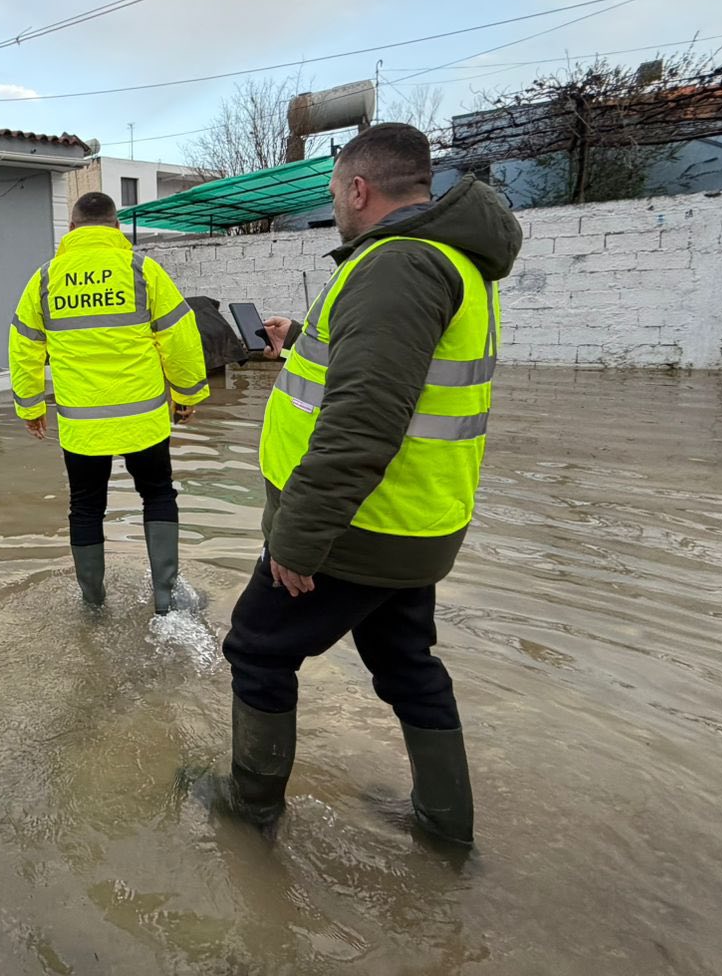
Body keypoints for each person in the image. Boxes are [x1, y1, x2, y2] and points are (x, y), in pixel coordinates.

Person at [214, 123, 522, 847]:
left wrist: (300, 534)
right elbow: (386, 377)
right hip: (411, 517)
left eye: (333, 194)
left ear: (358, 188)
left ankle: (249, 809)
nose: (335, 207)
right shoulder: (447, 261)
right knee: (404, 661)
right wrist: (299, 341)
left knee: (258, 648)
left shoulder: (399, 266)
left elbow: (365, 418)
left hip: (359, 525)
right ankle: (444, 831)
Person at [9, 191, 209, 613]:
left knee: (85, 506)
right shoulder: (143, 270)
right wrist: (187, 393)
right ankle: (166, 598)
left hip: (82, 423)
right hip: (144, 418)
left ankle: (93, 603)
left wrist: (30, 406)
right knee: (157, 495)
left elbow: (24, 346)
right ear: (117, 227)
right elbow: (179, 336)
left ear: (72, 229)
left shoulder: (44, 278)